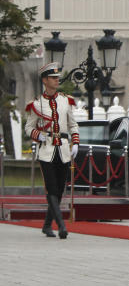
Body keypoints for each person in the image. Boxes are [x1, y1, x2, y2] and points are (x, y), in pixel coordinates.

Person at [25, 63, 79, 239]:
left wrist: (76, 142)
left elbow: (73, 124)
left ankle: (47, 225)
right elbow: (28, 127)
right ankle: (61, 226)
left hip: (63, 150)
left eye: (57, 78)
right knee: (51, 189)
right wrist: (36, 135)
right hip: (46, 150)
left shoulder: (65, 100)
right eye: (53, 78)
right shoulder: (36, 104)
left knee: (59, 190)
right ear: (45, 80)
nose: (57, 80)